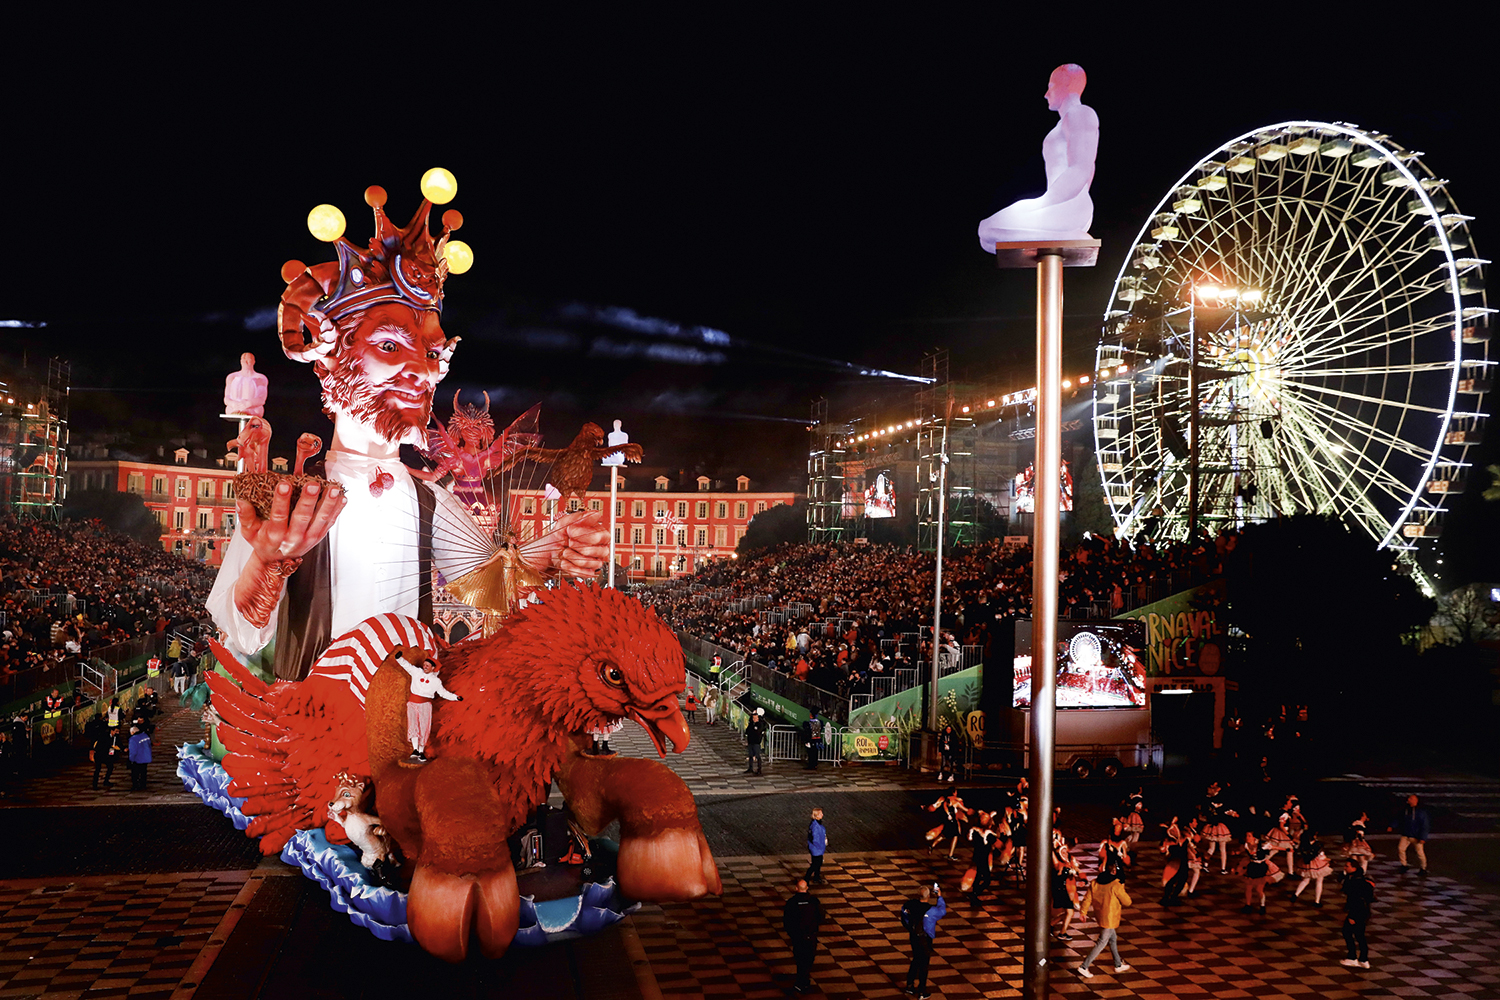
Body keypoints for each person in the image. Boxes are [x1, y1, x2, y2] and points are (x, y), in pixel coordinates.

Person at [208, 194, 610, 681]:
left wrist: (552, 551)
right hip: (314, 738)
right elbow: (241, 631)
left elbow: (487, 586)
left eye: (430, 351)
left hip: (411, 736)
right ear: (332, 356)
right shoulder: (287, 497)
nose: (420, 370)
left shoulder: (429, 501)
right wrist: (269, 567)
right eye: (390, 344)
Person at [978, 63, 1098, 251]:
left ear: (1066, 82)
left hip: (1067, 204)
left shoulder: (1081, 113)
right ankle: (1066, 237)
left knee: (989, 230)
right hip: (1061, 202)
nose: (1046, 94)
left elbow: (1082, 169)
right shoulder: (1067, 121)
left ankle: (1068, 235)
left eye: (1050, 87)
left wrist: (1047, 203)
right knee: (987, 237)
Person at [396, 649, 462, 762]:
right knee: (413, 725)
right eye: (424, 664)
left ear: (433, 668)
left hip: (425, 705)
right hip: (412, 703)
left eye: (428, 665)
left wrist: (456, 697)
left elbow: (443, 693)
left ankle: (421, 752)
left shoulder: (436, 681)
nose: (425, 666)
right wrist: (399, 658)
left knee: (423, 727)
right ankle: (415, 750)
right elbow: (406, 666)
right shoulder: (417, 672)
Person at [1076, 870, 1132, 978]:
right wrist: (1122, 889)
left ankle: (1118, 964)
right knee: (1101, 942)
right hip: (1110, 918)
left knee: (1113, 939)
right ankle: (1084, 966)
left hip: (1101, 916)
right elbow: (1127, 902)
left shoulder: (1094, 883)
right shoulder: (1115, 885)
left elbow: (1087, 899)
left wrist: (1083, 912)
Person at [900, 883, 946, 998]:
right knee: (924, 964)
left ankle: (909, 986)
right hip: (925, 938)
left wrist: (909, 927)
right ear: (929, 896)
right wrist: (939, 897)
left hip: (914, 936)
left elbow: (903, 913)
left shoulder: (910, 905)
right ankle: (922, 991)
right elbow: (942, 911)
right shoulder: (931, 910)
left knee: (916, 959)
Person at [783, 878, 823, 994]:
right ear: (807, 888)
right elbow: (821, 917)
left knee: (800, 959)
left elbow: (787, 921)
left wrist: (791, 934)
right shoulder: (814, 901)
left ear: (796, 888)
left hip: (798, 937)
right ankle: (803, 981)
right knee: (809, 959)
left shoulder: (791, 902)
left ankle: (801, 981)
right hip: (811, 936)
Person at [1339, 857, 1375, 969]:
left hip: (1358, 912)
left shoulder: (1355, 882)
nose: (1345, 868)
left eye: (1347, 866)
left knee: (1347, 932)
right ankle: (1363, 959)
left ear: (1353, 868)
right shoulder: (1361, 878)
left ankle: (1352, 957)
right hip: (1365, 911)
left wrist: (1352, 915)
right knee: (1360, 936)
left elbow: (1355, 899)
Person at [1393, 793, 1429, 876]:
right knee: (1401, 849)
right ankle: (1404, 865)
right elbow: (1399, 818)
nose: (1409, 800)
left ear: (1416, 800)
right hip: (1406, 834)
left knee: (1420, 853)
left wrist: (1423, 837)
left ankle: (1423, 868)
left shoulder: (1420, 812)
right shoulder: (1406, 810)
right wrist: (1393, 825)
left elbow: (1425, 825)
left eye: (1411, 799)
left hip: (1416, 836)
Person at [1295, 839, 1333, 906]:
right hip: (1317, 864)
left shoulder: (1304, 843)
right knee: (1319, 881)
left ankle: (1296, 894)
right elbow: (1321, 857)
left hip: (1306, 864)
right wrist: (1330, 860)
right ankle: (1317, 901)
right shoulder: (1317, 844)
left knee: (1305, 880)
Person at [87, 715, 111, 790]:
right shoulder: (103, 731)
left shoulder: (94, 731)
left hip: (97, 752)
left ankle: (95, 784)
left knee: (98, 769)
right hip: (101, 752)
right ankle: (104, 781)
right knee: (108, 767)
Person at [127, 723, 153, 790]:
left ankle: (135, 785)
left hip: (138, 759)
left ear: (132, 732)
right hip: (146, 757)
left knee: (135, 773)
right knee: (143, 772)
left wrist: (131, 759)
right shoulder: (145, 736)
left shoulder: (133, 739)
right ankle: (143, 785)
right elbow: (150, 745)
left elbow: (133, 751)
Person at [805, 807, 827, 883]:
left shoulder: (816, 823)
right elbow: (815, 839)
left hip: (818, 848)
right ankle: (806, 878)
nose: (822, 814)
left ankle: (816, 878)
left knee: (818, 863)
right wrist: (820, 845)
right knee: (815, 864)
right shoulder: (815, 826)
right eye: (821, 813)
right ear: (817, 815)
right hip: (817, 848)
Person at [744, 707, 768, 775]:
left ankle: (759, 770)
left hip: (756, 742)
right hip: (750, 741)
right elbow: (748, 730)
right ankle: (750, 768)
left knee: (757, 755)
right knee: (750, 754)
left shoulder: (760, 724)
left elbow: (758, 731)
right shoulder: (752, 723)